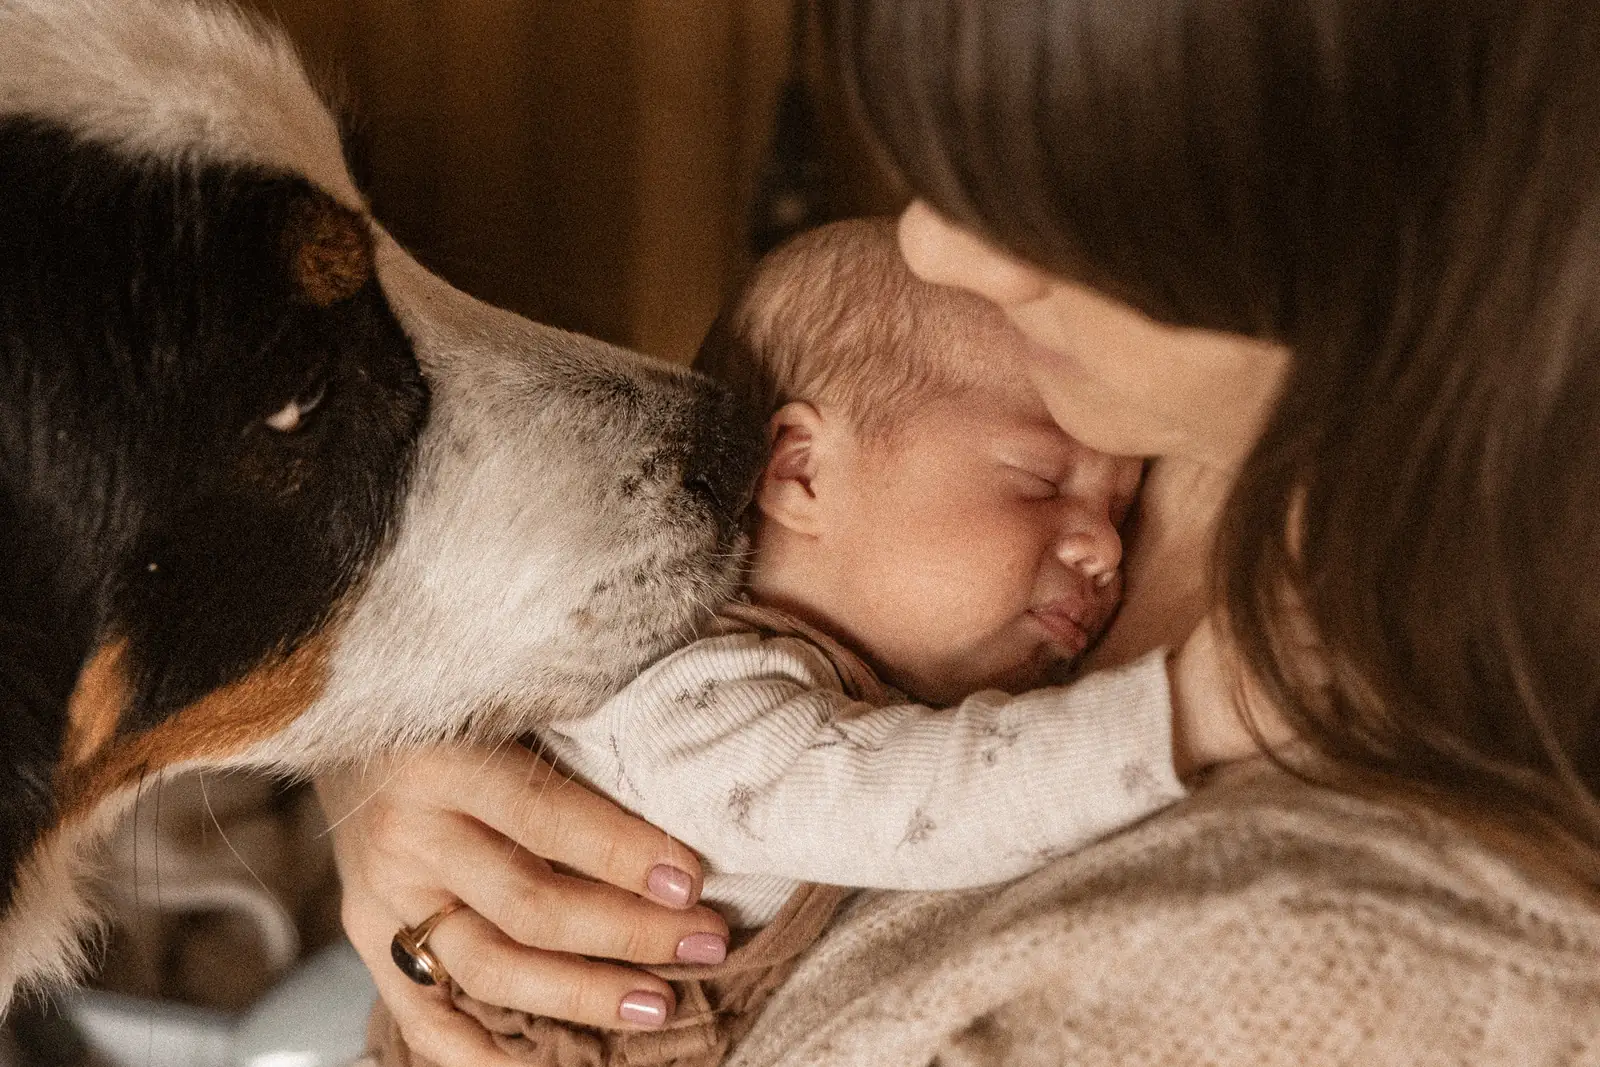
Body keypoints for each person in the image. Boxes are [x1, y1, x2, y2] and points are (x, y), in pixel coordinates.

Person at [323, 1, 1600, 1064]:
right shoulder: (1056, 407)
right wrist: (405, 790)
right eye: (940, 163)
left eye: (1050, 187)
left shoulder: (1427, 935)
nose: (935, 242)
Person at [361, 216, 1205, 1065]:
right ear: (800, 470)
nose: (1105, 548)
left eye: (1120, 512)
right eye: (1040, 481)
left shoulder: (860, 675)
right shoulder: (690, 692)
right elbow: (933, 801)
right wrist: (1188, 711)